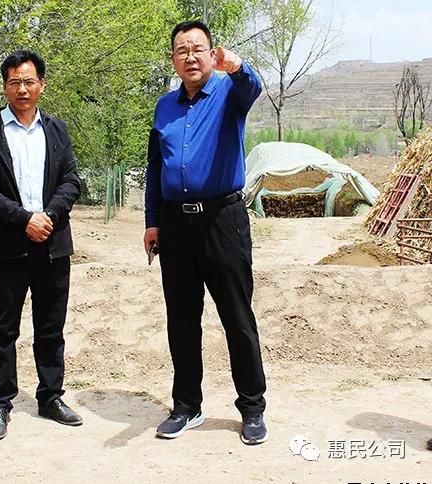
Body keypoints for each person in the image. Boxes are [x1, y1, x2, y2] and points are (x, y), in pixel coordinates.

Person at [143, 20, 268, 445]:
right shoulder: (164, 107)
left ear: (212, 54)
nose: (190, 57)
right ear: (173, 59)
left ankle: (252, 407)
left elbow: (253, 86)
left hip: (223, 221)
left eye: (198, 48)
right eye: (182, 50)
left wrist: (238, 66)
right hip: (176, 225)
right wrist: (152, 221)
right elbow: (155, 167)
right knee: (181, 319)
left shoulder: (230, 92)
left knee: (237, 317)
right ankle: (186, 406)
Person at [0, 50, 82, 441]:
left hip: (53, 242)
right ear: (4, 86)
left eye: (29, 81)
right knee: (3, 329)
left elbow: (71, 180)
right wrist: (24, 220)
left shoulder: (56, 129)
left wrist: (48, 214)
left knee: (51, 327)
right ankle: (0, 404)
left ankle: (51, 396)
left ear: (41, 85)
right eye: (15, 82)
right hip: (8, 246)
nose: (22, 89)